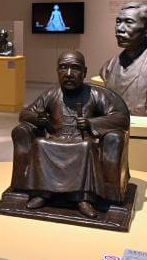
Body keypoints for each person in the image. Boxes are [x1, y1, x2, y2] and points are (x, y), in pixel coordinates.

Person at [10, 50, 130, 218]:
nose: (68, 73)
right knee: (40, 143)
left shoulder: (95, 95)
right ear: (57, 71)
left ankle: (83, 198)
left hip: (83, 142)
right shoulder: (51, 94)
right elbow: (25, 114)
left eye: (75, 68)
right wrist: (39, 119)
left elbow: (120, 118)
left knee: (85, 146)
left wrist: (91, 123)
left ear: (84, 72)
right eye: (63, 68)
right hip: (55, 140)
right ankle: (43, 193)